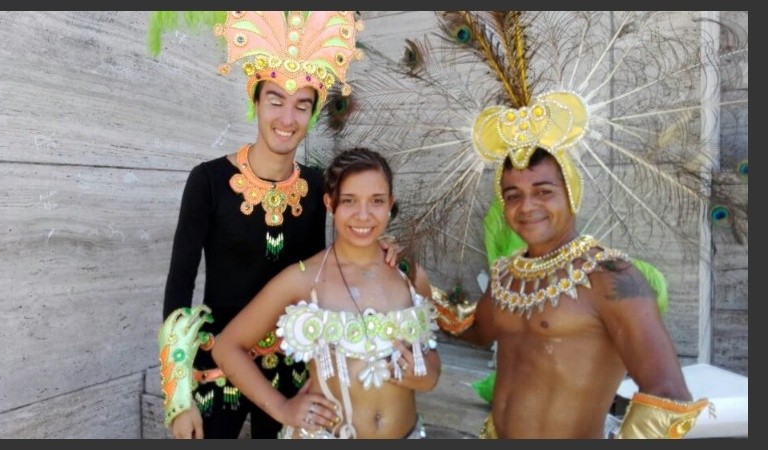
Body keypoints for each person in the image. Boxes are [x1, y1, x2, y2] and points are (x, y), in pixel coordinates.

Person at [155, 11, 399, 439]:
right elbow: (178, 288)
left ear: (312, 113)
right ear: (256, 101)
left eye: (301, 105)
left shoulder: (316, 186)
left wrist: (379, 249)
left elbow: (325, 271)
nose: (287, 119)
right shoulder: (208, 181)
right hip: (216, 368)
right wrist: (178, 398)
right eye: (276, 101)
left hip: (288, 370)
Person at [435, 147, 709, 438]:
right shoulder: (504, 274)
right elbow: (479, 331)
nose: (527, 206)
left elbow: (668, 393)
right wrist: (419, 288)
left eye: (543, 191)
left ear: (572, 193)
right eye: (513, 195)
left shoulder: (612, 275)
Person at [211, 148, 441, 439]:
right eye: (349, 201)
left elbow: (429, 348)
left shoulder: (410, 275)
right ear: (330, 203)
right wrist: (282, 408)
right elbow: (227, 348)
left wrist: (430, 375)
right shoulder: (304, 279)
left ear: (390, 204)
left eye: (377, 201)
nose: (363, 215)